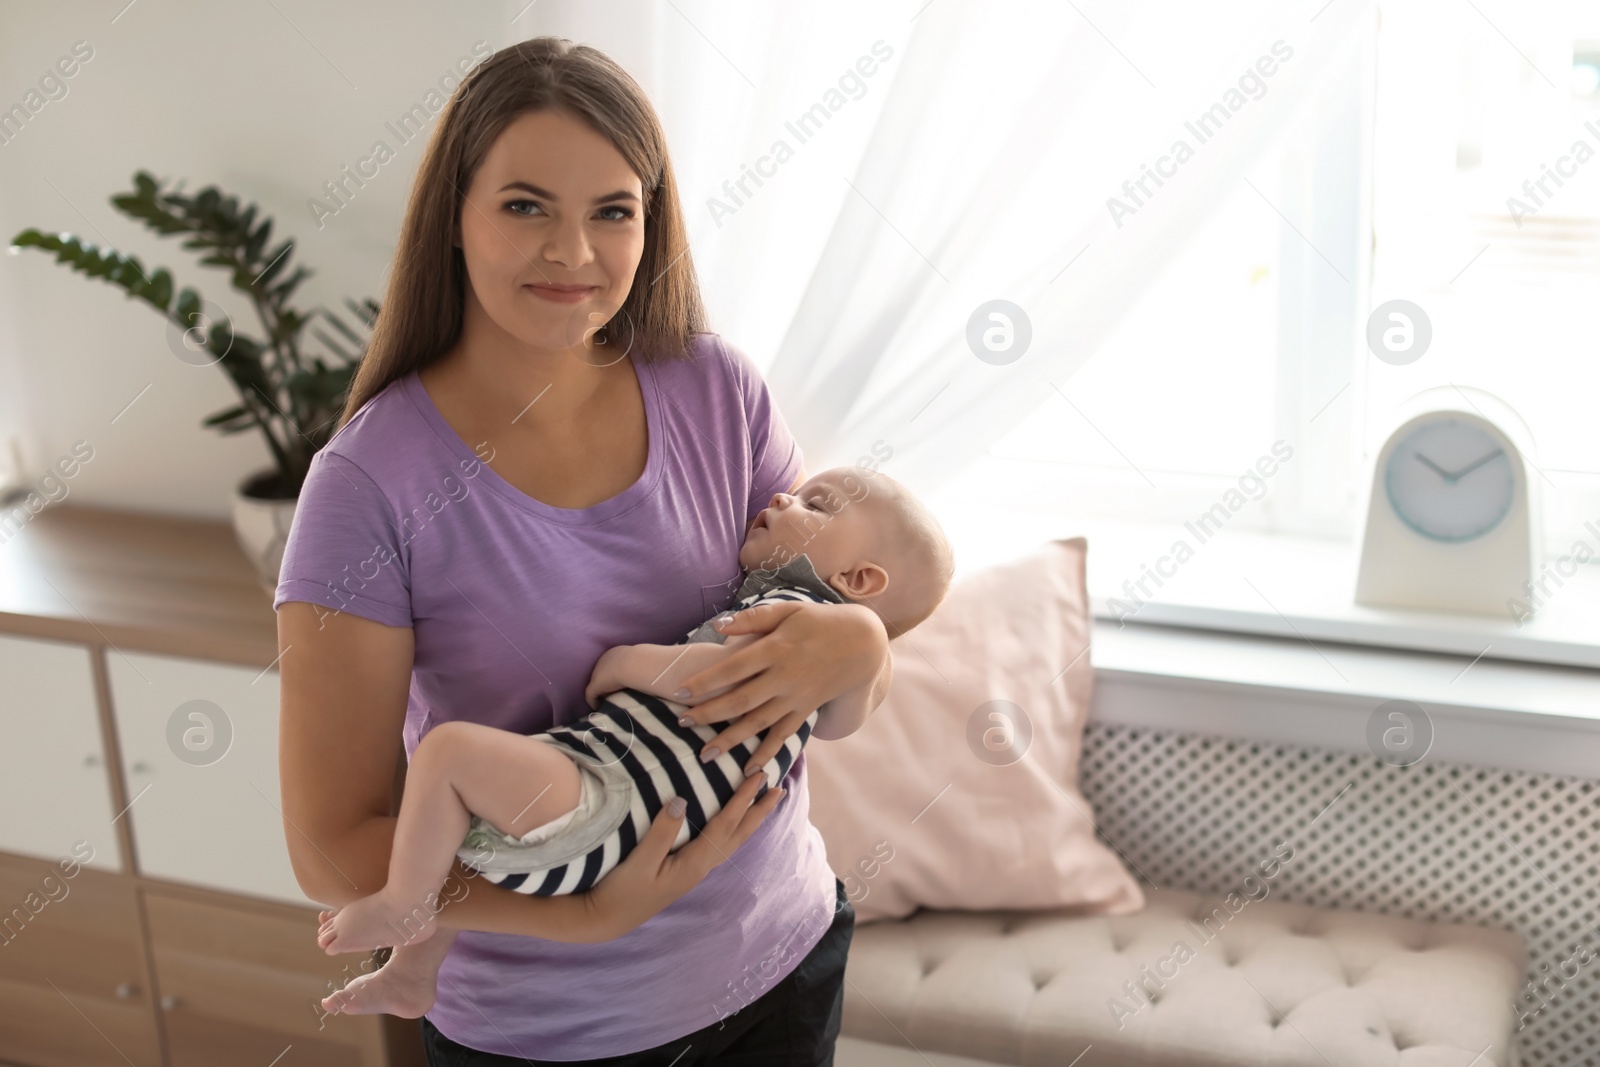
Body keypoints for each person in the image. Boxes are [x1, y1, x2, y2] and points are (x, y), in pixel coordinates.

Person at [275, 37, 897, 1066]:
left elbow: (819, 693)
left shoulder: (717, 390)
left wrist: (865, 647)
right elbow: (331, 843)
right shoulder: (367, 487)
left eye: (613, 210)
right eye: (525, 206)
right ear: (455, 220)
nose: (574, 252)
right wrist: (586, 916)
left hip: (784, 961)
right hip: (553, 1035)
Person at [312, 466, 954, 1020]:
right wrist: (865, 648)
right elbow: (842, 718)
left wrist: (623, 663)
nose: (784, 498)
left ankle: (406, 906)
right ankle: (412, 974)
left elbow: (709, 677)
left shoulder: (792, 608)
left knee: (447, 758)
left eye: (815, 505)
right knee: (459, 820)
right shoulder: (815, 646)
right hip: (632, 826)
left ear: (861, 580)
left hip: (611, 800)